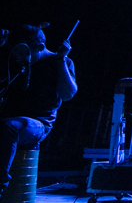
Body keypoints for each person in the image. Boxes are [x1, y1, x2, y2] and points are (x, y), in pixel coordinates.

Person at [0, 24, 77, 194]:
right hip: (8, 118)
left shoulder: (60, 62)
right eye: (14, 52)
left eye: (22, 52)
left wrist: (61, 60)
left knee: (9, 127)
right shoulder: (16, 63)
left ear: (40, 47)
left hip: (38, 123)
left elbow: (67, 94)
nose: (17, 56)